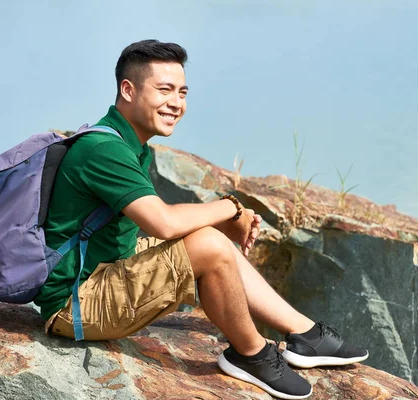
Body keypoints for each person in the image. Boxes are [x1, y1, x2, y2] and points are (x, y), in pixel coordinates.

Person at [34, 39, 368, 399]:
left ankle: (305, 335)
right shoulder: (104, 150)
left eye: (182, 92)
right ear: (127, 90)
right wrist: (231, 208)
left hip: (105, 270)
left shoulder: (128, 143)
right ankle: (251, 354)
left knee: (209, 236)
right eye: (164, 90)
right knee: (208, 244)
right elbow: (162, 222)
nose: (176, 103)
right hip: (75, 305)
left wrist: (218, 221)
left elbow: (157, 221)